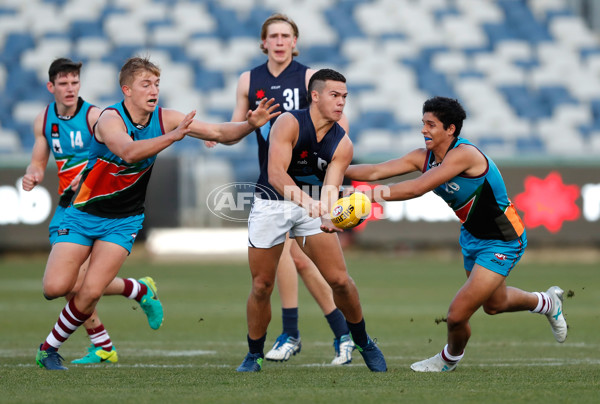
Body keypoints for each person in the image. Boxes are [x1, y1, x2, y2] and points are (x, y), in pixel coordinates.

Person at [34, 56, 280, 370]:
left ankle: (48, 350)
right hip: (82, 214)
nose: (154, 90)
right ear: (127, 90)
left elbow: (219, 132)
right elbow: (127, 151)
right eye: (146, 84)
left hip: (123, 221)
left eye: (157, 84)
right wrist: (171, 138)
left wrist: (249, 125)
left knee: (90, 291)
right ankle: (138, 289)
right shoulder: (110, 119)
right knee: (54, 288)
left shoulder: (164, 118)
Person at [344, 96, 568, 372]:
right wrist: (329, 171)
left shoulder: (465, 155)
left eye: (431, 125)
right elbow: (377, 170)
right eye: (423, 123)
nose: (424, 130)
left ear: (450, 129)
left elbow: (416, 188)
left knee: (457, 315)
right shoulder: (423, 156)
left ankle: (448, 359)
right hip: (472, 237)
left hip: (503, 239)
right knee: (495, 305)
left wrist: (366, 196)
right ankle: (547, 302)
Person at [210, 13, 354, 365]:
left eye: (285, 35)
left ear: (294, 42)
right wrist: (229, 131)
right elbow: (236, 128)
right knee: (294, 264)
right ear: (263, 42)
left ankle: (309, 334)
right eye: (272, 35)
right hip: (273, 182)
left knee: (302, 264)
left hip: (307, 184)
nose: (278, 41)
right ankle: (335, 335)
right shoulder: (249, 80)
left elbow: (340, 131)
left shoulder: (308, 77)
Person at [236, 68, 387, 372]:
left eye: (345, 96)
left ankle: (363, 341)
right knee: (262, 285)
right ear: (315, 96)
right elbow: (276, 173)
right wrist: (307, 201)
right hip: (272, 202)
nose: (342, 102)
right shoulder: (288, 122)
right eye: (335, 95)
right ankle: (254, 354)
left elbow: (331, 187)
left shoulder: (342, 144)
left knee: (340, 281)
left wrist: (330, 214)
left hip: (312, 206)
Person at [23, 57, 165, 366]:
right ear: (52, 87)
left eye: (75, 82)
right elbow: (38, 158)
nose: (71, 88)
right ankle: (136, 289)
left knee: (84, 285)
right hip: (68, 207)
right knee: (65, 285)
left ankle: (100, 345)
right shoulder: (44, 120)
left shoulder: (96, 117)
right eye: (64, 83)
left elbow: (108, 151)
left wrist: (83, 175)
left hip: (96, 204)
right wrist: (32, 173)